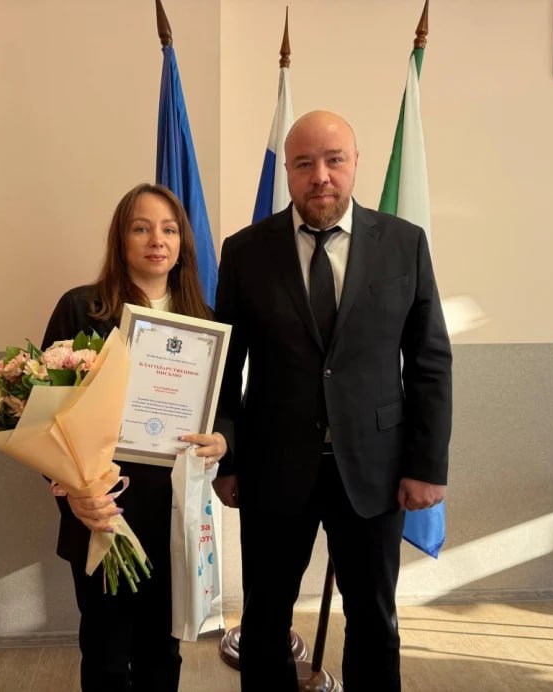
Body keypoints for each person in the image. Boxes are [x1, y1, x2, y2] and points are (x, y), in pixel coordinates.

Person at [212, 110, 452, 691]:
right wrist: (229, 461)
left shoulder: (404, 244)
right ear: (289, 173)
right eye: (304, 163)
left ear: (355, 164)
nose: (320, 175)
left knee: (373, 619)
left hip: (375, 471)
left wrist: (427, 466)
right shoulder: (245, 251)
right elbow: (225, 366)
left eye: (334, 160)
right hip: (273, 469)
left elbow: (429, 361)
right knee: (265, 619)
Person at [41, 183, 227, 692]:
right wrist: (74, 490)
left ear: (183, 243)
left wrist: (222, 442)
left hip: (172, 511)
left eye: (169, 229)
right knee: (104, 653)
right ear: (121, 239)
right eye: (141, 228)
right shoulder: (81, 308)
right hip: (101, 510)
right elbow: (43, 417)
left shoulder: (204, 322)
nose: (156, 240)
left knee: (162, 653)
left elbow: (227, 411)